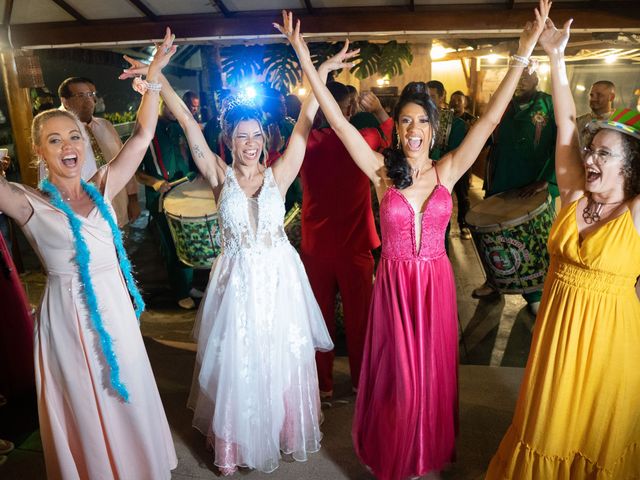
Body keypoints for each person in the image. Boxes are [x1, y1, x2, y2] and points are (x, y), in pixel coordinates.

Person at [281, 3, 551, 478]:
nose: (412, 130)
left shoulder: (447, 171)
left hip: (436, 285)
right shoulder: (383, 173)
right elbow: (340, 125)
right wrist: (307, 60)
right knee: (399, 377)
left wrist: (524, 51)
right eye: (404, 122)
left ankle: (424, 448)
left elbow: (488, 120)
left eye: (421, 122)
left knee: (430, 375)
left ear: (433, 126)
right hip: (396, 283)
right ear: (397, 128)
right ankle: (395, 448)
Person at [120, 34, 359, 478]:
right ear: (229, 139)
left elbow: (307, 119)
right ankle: (235, 443)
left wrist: (321, 73)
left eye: (255, 136)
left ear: (265, 138)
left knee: (281, 357)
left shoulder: (280, 173)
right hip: (236, 284)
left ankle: (282, 430)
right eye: (240, 136)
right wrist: (158, 78)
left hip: (279, 281)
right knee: (238, 361)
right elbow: (188, 124)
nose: (249, 143)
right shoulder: (218, 174)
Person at [0, 29, 178, 479]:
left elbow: (142, 135)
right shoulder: (26, 202)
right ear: (40, 152)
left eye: (74, 136)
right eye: (55, 140)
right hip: (66, 317)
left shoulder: (103, 186)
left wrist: (153, 77)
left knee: (127, 388)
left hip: (114, 307)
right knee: (83, 395)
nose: (68, 146)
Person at [486, 18, 640, 479]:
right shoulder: (574, 194)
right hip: (557, 332)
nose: (590, 157)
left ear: (630, 166)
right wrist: (555, 56)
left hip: (612, 338)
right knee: (548, 423)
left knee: (597, 427)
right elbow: (566, 121)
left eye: (604, 154)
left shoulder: (635, 213)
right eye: (590, 150)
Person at [300, 82, 392, 400]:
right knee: (360, 320)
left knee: (318, 318)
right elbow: (398, 145)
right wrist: (379, 112)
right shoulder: (366, 140)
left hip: (315, 247)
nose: (352, 110)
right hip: (354, 245)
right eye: (350, 105)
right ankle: (359, 382)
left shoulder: (305, 143)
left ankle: (322, 385)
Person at [472, 67, 558, 313]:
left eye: (525, 77)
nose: (520, 83)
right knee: (494, 236)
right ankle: (494, 281)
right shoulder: (503, 103)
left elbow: (564, 143)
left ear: (537, 79)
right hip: (501, 180)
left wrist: (547, 180)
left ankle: (536, 292)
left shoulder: (548, 104)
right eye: (516, 78)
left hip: (533, 185)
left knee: (532, 239)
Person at [136, 100, 201, 309]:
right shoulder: (146, 131)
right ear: (161, 103)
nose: (174, 112)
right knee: (173, 246)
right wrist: (155, 182)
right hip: (161, 200)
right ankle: (180, 291)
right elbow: (137, 171)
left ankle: (188, 285)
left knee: (188, 243)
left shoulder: (179, 128)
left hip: (185, 193)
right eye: (170, 107)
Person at [57, 76, 141, 226]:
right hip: (85, 215)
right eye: (81, 95)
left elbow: (124, 161)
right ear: (65, 101)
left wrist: (133, 198)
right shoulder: (58, 133)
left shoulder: (105, 126)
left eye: (91, 94)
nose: (89, 100)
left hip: (118, 204)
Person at [428, 80, 472, 240]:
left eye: (432, 96)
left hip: (441, 180)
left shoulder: (455, 124)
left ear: (441, 97)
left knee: (439, 227)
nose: (427, 100)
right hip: (419, 180)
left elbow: (455, 156)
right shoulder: (417, 120)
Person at [576, 80, 616, 146]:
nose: (593, 99)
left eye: (599, 95)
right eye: (591, 95)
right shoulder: (578, 123)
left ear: (611, 97)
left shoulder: (619, 123)